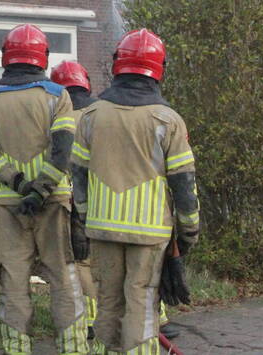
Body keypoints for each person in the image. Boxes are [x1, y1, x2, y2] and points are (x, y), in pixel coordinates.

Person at [70, 29, 200, 355]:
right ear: (159, 68)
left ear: (117, 65)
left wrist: (84, 219)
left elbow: (79, 177)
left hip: (101, 227)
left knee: (108, 301)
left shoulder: (90, 117)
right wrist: (189, 231)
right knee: (141, 303)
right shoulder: (168, 120)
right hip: (151, 231)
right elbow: (184, 184)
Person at [0, 24, 89, 355]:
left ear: (7, 58)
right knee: (63, 279)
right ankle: (75, 349)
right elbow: (63, 151)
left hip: (9, 205)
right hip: (53, 202)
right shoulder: (57, 96)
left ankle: (17, 349)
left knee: (13, 281)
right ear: (43, 58)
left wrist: (19, 183)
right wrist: (41, 189)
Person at [49, 61, 98, 339]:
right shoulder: (101, 112)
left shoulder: (59, 116)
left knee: (80, 260)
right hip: (105, 199)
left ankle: (90, 319)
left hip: (70, 199)